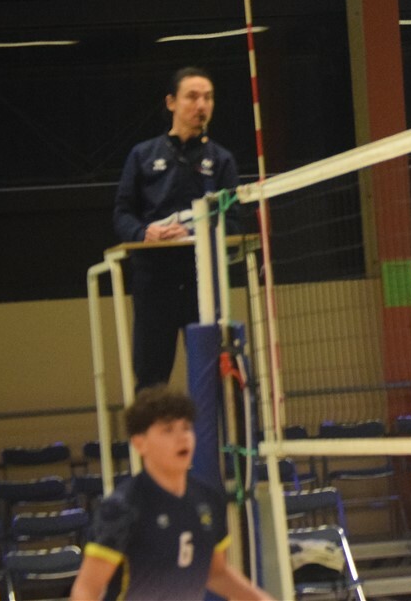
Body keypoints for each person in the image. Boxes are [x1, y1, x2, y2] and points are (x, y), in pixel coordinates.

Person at [69, 386, 271, 600]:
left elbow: (217, 572)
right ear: (140, 443)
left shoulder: (209, 499)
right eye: (168, 430)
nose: (182, 438)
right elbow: (86, 589)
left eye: (186, 428)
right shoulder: (122, 507)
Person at [113, 68, 240, 391]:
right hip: (154, 282)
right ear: (171, 102)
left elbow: (234, 220)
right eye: (192, 97)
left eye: (208, 98)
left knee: (212, 376)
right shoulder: (142, 155)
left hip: (203, 281)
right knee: (151, 375)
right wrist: (144, 233)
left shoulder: (222, 160)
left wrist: (201, 234)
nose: (201, 105)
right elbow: (123, 213)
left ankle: (215, 427)